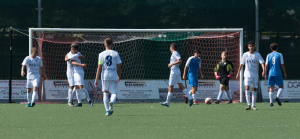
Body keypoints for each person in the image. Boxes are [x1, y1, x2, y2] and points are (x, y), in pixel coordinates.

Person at [95, 38, 122, 116]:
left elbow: (99, 67)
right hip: (113, 75)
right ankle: (112, 102)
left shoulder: (101, 54)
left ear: (104, 45)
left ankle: (107, 110)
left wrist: (96, 79)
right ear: (112, 44)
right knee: (114, 93)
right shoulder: (115, 53)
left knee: (105, 93)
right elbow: (119, 66)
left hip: (105, 75)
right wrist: (119, 76)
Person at [160, 43, 192, 107]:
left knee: (170, 87)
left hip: (174, 72)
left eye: (170, 48)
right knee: (180, 85)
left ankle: (167, 102)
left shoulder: (175, 53)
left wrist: (171, 64)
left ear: (172, 48)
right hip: (177, 71)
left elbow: (180, 61)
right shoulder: (175, 53)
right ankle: (190, 98)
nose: (170, 49)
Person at [236, 41, 265, 110]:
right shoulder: (245, 54)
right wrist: (238, 73)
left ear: (254, 47)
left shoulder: (257, 55)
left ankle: (253, 105)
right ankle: (248, 104)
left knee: (254, 89)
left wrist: (264, 70)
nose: (251, 47)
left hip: (254, 75)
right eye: (250, 46)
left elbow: (262, 63)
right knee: (246, 88)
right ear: (248, 47)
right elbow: (241, 64)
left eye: (252, 46)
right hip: (247, 74)